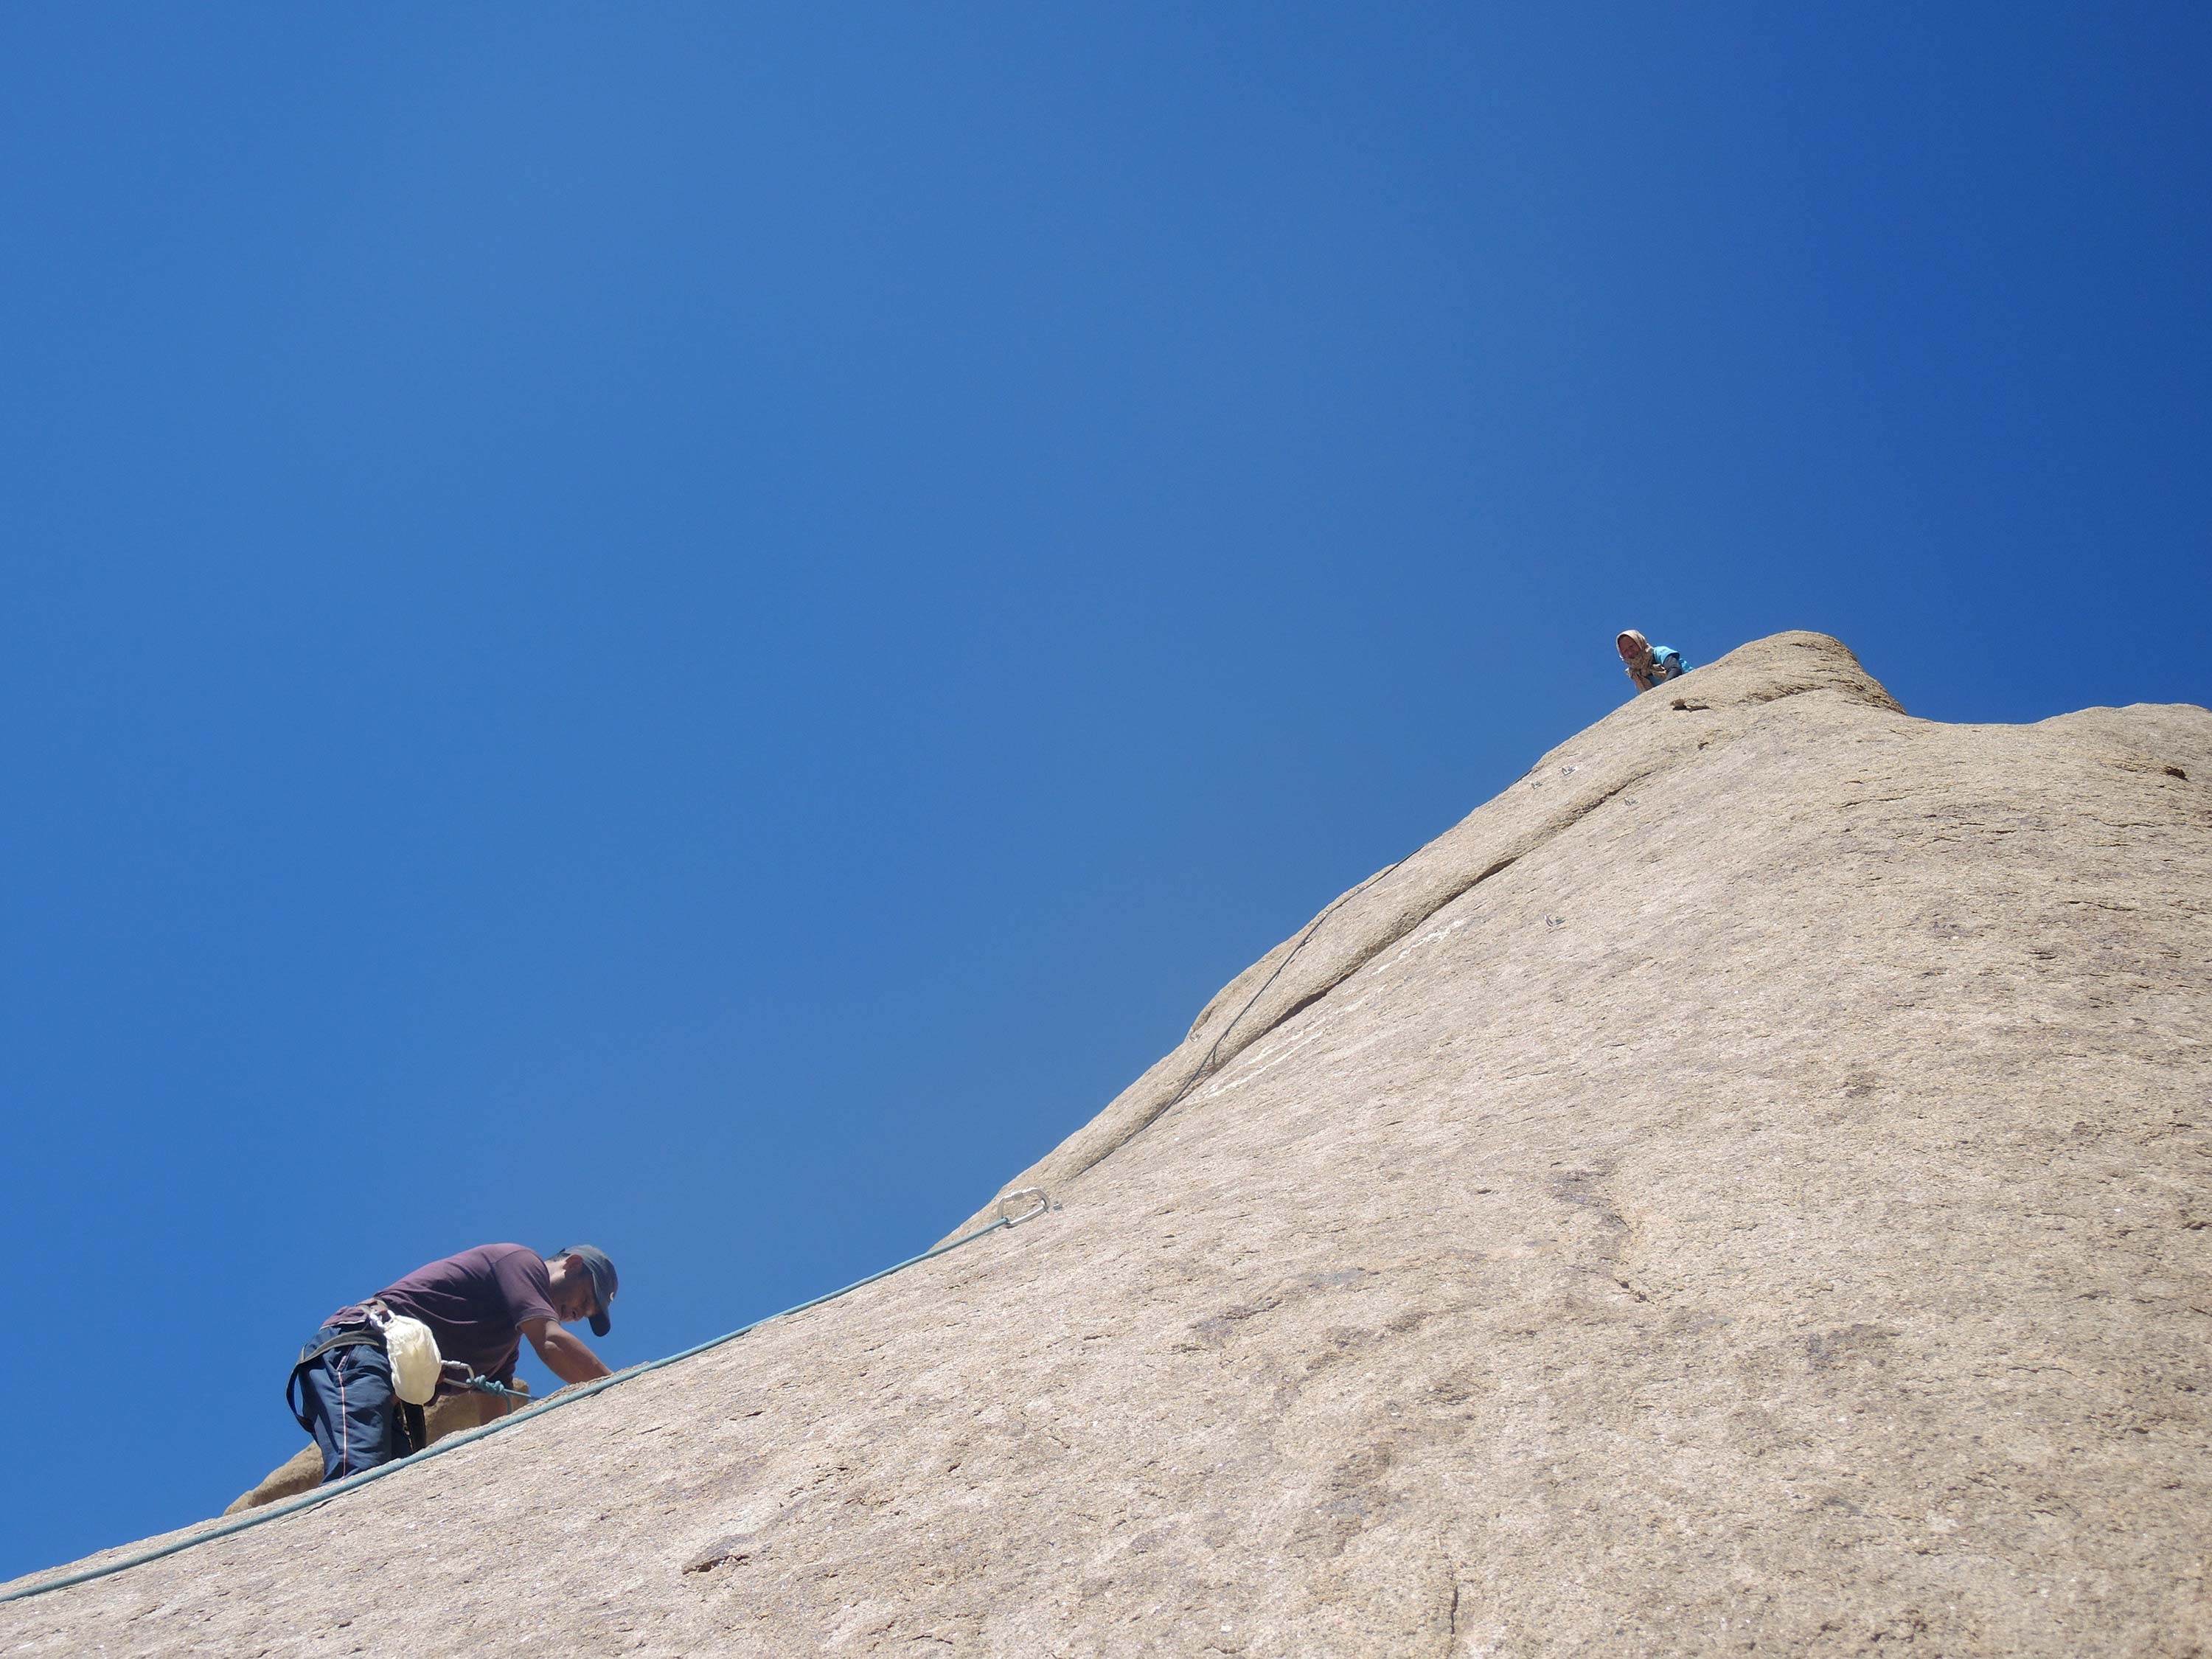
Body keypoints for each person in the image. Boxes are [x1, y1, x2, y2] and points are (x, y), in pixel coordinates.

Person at [287, 1243, 618, 1483]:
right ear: (572, 1264)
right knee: (358, 1476)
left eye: (585, 1316)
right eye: (585, 1300)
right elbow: (550, 1341)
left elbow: (493, 1420)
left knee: (389, 1486)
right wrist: (619, 1390)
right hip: (359, 1347)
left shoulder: (503, 1345)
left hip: (382, 1379)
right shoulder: (520, 1261)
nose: (577, 1315)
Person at [1615, 629, 1692, 693]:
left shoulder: (1659, 652)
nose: (1630, 652)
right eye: (1625, 651)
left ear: (1640, 642)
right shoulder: (1636, 674)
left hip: (1689, 684)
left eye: (1632, 646)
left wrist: (1659, 692)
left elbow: (1675, 669)